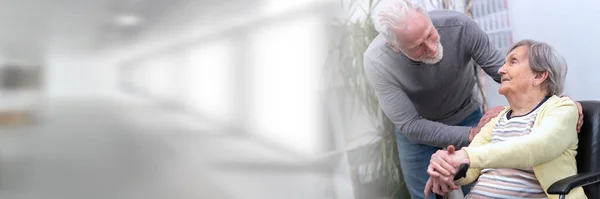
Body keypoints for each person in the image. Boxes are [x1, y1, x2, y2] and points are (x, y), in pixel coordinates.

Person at [363, 0, 583, 198]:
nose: (431, 48)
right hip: (417, 127)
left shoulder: (459, 26)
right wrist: (447, 170)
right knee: (426, 193)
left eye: (431, 34)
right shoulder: (377, 61)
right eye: (418, 47)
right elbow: (411, 125)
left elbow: (502, 72)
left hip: (465, 113)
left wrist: (555, 97)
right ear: (394, 46)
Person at [424, 39, 586, 199]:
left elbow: (537, 147)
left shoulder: (562, 108)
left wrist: (466, 156)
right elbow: (470, 170)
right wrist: (447, 168)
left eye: (512, 62)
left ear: (539, 76)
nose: (501, 70)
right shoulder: (498, 118)